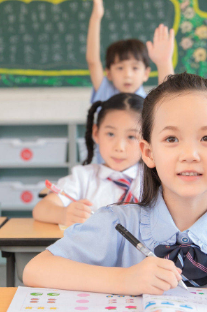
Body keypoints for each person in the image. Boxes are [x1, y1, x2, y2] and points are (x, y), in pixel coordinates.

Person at [24, 73, 207, 304]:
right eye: (171, 138)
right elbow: (36, 270)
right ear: (148, 151)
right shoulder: (117, 223)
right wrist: (125, 279)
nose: (190, 154)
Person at [33, 93, 144, 227]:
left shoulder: (155, 179)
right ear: (96, 133)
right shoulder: (83, 177)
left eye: (131, 137)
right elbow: (41, 209)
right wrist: (64, 214)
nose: (119, 147)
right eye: (110, 134)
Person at [86, 0, 175, 104]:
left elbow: (168, 99)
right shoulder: (105, 92)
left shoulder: (150, 104)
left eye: (135, 68)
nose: (127, 75)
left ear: (146, 73)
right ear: (109, 73)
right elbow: (93, 61)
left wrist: (164, 63)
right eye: (120, 68)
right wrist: (96, 16)